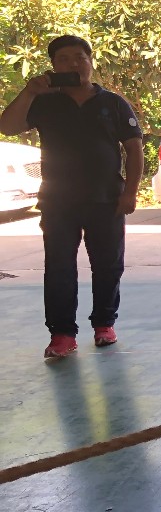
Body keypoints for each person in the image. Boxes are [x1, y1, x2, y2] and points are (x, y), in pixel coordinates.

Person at [0, 35, 142, 359]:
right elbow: (7, 127)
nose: (74, 64)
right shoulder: (44, 102)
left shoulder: (113, 103)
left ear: (90, 61)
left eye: (80, 57)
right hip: (58, 201)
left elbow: (134, 148)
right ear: (53, 66)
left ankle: (104, 324)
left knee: (108, 266)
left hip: (106, 199)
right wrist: (29, 91)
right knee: (59, 267)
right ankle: (62, 334)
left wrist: (131, 192)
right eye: (64, 59)